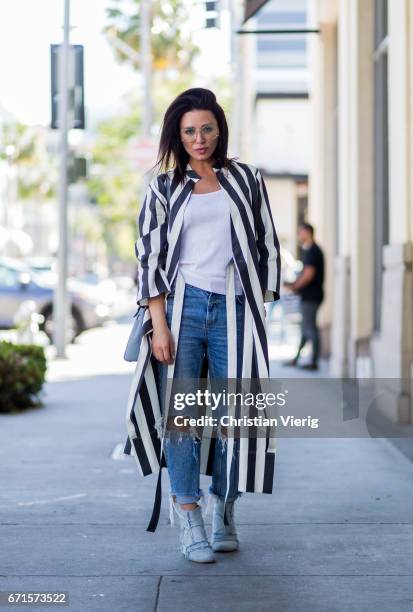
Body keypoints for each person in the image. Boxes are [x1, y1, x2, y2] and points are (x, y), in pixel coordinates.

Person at [123, 88, 281, 563]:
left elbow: (267, 243)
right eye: (189, 130)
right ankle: (187, 511)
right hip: (182, 308)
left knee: (238, 415)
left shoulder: (246, 178)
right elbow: (148, 257)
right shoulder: (164, 187)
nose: (199, 138)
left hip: (236, 308)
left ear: (219, 129)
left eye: (207, 128)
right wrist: (159, 324)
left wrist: (260, 305)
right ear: (178, 133)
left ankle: (224, 506)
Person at [283, 222, 324, 370]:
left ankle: (314, 361)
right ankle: (297, 358)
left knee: (310, 328)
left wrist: (294, 286)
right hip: (308, 295)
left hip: (311, 296)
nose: (298, 235)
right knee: (305, 328)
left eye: (300, 232)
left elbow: (308, 274)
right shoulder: (308, 250)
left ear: (308, 232)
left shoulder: (313, 250)